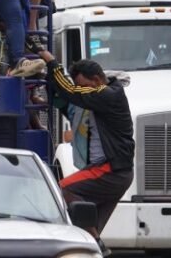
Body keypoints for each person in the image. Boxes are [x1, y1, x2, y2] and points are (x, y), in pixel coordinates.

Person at [34, 45, 134, 257]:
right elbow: (70, 102)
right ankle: (97, 247)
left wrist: (51, 62)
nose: (83, 91)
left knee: (60, 189)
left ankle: (99, 243)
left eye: (85, 86)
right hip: (118, 172)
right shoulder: (101, 97)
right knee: (84, 233)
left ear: (97, 80)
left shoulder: (107, 94)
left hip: (111, 169)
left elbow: (71, 92)